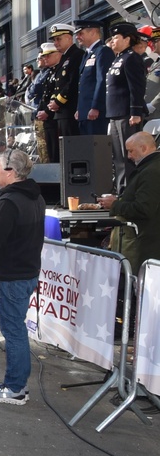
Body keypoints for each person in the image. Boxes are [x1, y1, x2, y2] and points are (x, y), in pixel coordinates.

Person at [0, 149, 46, 405]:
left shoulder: (9, 203)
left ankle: (15, 387)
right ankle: (16, 384)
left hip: (11, 276)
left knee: (14, 331)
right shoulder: (34, 198)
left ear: (11, 172)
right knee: (16, 330)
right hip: (25, 273)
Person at [98, 132, 160, 275]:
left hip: (145, 246)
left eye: (131, 151)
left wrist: (115, 205)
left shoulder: (151, 172)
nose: (129, 156)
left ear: (144, 148)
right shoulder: (149, 168)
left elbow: (144, 208)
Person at [106, 22, 149, 193]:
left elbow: (136, 87)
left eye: (116, 37)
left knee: (129, 155)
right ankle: (121, 191)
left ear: (127, 38)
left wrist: (135, 112)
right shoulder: (119, 58)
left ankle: (130, 192)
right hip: (116, 113)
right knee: (118, 157)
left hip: (127, 114)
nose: (113, 41)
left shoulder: (131, 57)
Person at [74, 19, 113, 136]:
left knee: (96, 150)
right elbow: (83, 84)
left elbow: (102, 80)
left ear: (93, 32)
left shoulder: (103, 51)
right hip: (85, 112)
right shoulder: (87, 54)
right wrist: (79, 108)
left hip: (96, 112)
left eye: (81, 33)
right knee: (87, 151)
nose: (77, 37)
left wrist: (96, 106)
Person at [46, 22, 84, 139]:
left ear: (69, 38)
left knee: (71, 147)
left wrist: (58, 101)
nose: (55, 43)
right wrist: (53, 101)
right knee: (63, 150)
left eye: (58, 39)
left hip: (70, 109)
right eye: (54, 40)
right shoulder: (64, 57)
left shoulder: (77, 55)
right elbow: (58, 83)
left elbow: (72, 82)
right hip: (61, 111)